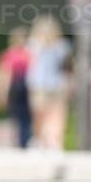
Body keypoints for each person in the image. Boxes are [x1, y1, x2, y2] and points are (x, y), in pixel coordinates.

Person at [26, 16, 72, 149]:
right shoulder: (33, 44)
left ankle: (54, 141)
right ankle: (39, 139)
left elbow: (66, 68)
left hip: (56, 84)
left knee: (57, 114)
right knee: (40, 115)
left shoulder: (61, 46)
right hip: (39, 85)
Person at [0, 27, 32, 148]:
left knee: (21, 117)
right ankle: (22, 140)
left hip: (22, 89)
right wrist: (0, 93)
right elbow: (4, 75)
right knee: (20, 118)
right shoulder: (19, 54)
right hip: (18, 89)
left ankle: (23, 140)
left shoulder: (22, 54)